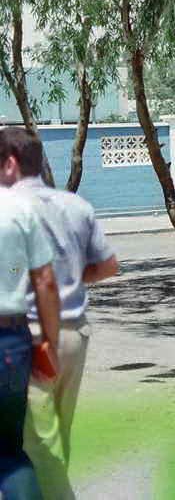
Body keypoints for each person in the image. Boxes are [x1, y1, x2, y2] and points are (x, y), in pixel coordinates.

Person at [0, 127, 119, 500]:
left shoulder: (9, 208)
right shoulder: (76, 206)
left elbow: (36, 280)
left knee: (33, 444)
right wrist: (74, 280)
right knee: (56, 436)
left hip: (33, 336)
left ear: (10, 163)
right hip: (74, 334)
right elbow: (109, 265)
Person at [0, 184, 61, 500]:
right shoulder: (18, 210)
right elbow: (46, 281)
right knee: (8, 451)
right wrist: (50, 341)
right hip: (9, 341)